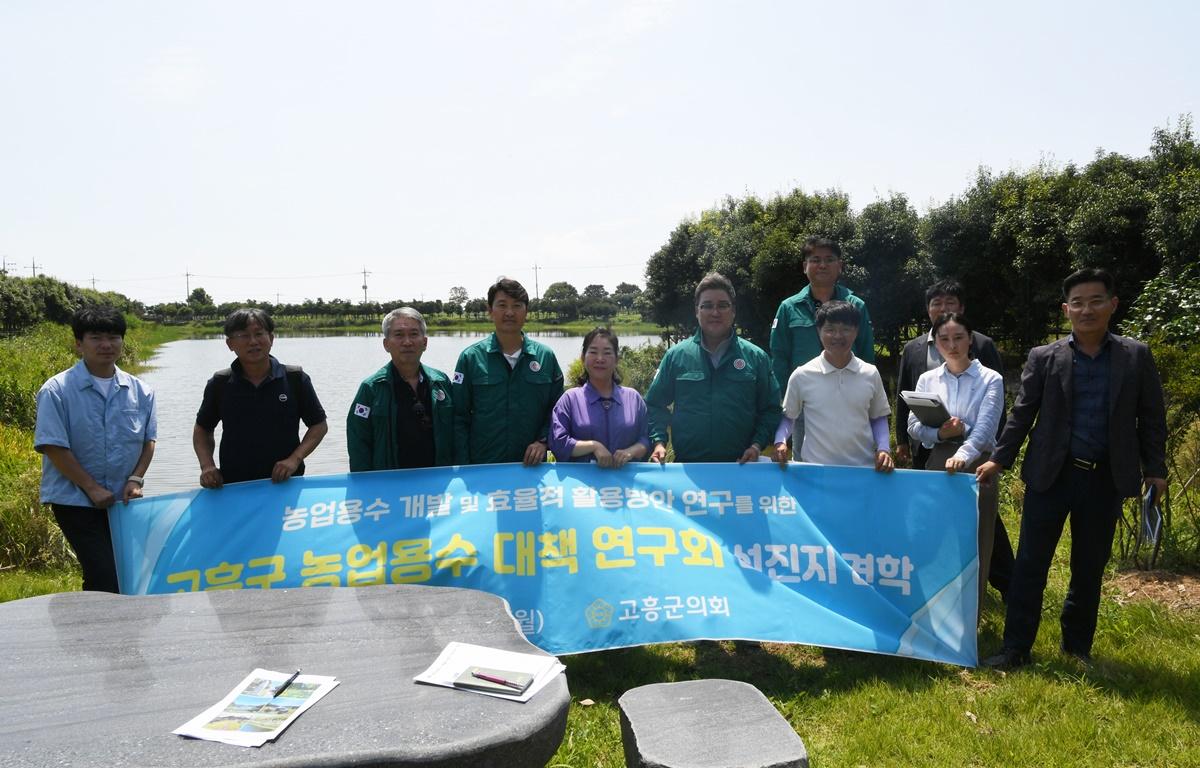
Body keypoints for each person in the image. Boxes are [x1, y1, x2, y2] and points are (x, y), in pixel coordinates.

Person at [979, 268, 1167, 669]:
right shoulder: (1045, 357)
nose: (1087, 310)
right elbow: (1022, 414)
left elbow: (1151, 416)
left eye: (1096, 301)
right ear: (1066, 310)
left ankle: (1076, 647)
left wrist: (1156, 468)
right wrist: (1000, 457)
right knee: (1030, 564)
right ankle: (1016, 648)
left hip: (1105, 478)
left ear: (1112, 305)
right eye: (1077, 303)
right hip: (1051, 475)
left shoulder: (1135, 356)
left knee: (1089, 566)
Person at [895, 278, 1014, 601]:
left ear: (970, 339)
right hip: (935, 459)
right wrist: (937, 434)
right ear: (935, 339)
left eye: (958, 337)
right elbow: (910, 418)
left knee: (978, 536)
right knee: (931, 532)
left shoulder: (990, 377)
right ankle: (930, 599)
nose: (951, 344)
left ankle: (976, 603)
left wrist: (966, 451)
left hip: (976, 464)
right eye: (944, 338)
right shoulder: (925, 373)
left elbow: (988, 425)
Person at [34, 306, 157, 592]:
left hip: (123, 502)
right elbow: (53, 445)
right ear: (79, 343)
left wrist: (135, 479)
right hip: (75, 500)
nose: (106, 345)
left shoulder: (141, 390)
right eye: (96, 338)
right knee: (105, 574)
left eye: (114, 337)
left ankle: (108, 631)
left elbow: (148, 441)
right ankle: (91, 632)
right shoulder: (56, 390)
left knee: (127, 573)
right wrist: (91, 488)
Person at [646, 273, 780, 464]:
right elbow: (654, 404)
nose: (715, 312)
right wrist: (659, 442)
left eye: (723, 305)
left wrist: (757, 445)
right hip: (689, 469)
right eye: (707, 306)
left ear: (733, 311)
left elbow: (771, 409)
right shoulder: (676, 356)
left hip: (741, 467)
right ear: (697, 311)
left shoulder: (756, 357)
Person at [193, 308, 328, 487]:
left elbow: (319, 425)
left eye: (259, 334)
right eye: (243, 335)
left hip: (286, 483)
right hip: (234, 486)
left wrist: (294, 459)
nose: (253, 341)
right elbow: (202, 430)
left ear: (271, 339)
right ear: (230, 344)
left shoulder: (295, 378)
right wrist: (207, 466)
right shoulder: (220, 383)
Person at [452, 277, 564, 465]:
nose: (510, 312)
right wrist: (463, 468)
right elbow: (458, 417)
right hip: (483, 467)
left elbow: (558, 410)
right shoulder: (470, 358)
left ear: (526, 311)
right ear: (490, 311)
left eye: (517, 306)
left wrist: (543, 441)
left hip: (532, 468)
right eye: (502, 305)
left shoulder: (545, 357)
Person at [772, 300, 893, 472]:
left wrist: (883, 448)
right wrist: (780, 442)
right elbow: (789, 417)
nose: (838, 336)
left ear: (856, 331)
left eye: (845, 329)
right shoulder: (802, 375)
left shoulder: (870, 373)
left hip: (862, 471)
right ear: (818, 331)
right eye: (830, 330)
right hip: (816, 472)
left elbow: (878, 417)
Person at [347, 307, 454, 471]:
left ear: (424, 342)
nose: (407, 342)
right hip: (391, 485)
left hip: (437, 482)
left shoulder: (441, 382)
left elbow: (457, 430)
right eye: (399, 335)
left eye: (413, 334)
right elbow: (358, 443)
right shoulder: (372, 388)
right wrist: (364, 487)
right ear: (386, 344)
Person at [769, 236, 874, 396]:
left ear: (840, 266)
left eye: (829, 259)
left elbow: (866, 353)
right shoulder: (788, 308)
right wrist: (782, 399)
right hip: (802, 397)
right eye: (816, 260)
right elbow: (779, 358)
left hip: (848, 394)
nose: (823, 265)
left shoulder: (856, 306)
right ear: (805, 266)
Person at [549, 328, 650, 467]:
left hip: (625, 486)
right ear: (583, 357)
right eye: (593, 352)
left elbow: (647, 439)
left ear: (616, 360)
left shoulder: (633, 398)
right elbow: (558, 442)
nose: (600, 359)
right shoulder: (570, 399)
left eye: (607, 353)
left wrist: (631, 451)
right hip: (581, 486)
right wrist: (593, 446)